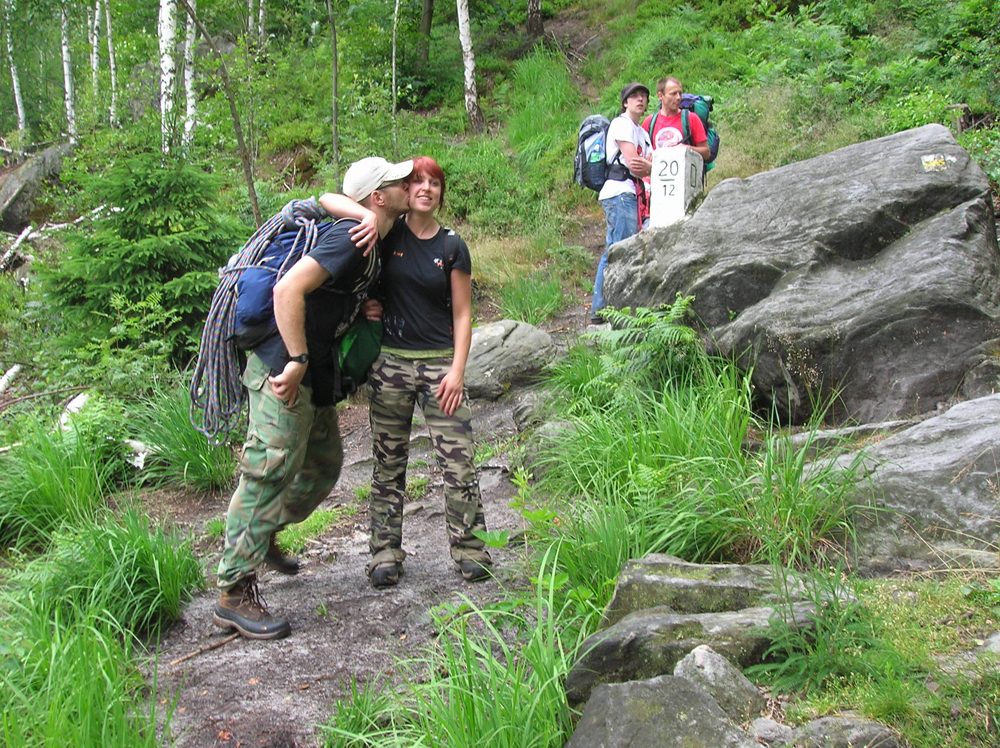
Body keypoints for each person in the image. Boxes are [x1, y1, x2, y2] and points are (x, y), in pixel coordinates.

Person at [213, 156, 413, 640]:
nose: (409, 184)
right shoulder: (351, 238)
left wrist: (359, 310)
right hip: (284, 369)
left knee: (323, 464)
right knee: (269, 470)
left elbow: (324, 206)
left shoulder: (372, 237)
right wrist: (297, 359)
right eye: (398, 181)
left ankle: (262, 533)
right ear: (378, 197)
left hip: (314, 375)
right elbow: (287, 291)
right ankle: (233, 593)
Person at [319, 156, 493, 589]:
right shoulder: (383, 233)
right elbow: (328, 200)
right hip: (390, 366)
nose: (426, 189)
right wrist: (366, 306)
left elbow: (463, 313)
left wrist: (457, 370)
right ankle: (384, 554)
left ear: (441, 193)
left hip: (441, 367)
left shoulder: (452, 246)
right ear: (405, 190)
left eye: (435, 183)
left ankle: (471, 550)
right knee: (388, 464)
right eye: (418, 181)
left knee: (459, 464)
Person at [590, 82, 653, 325]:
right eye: (634, 96)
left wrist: (647, 166)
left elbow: (646, 163)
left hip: (631, 194)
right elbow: (635, 164)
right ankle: (602, 309)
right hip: (619, 193)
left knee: (620, 248)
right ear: (625, 102)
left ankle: (606, 308)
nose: (640, 100)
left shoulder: (642, 133)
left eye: (643, 96)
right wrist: (649, 167)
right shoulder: (621, 124)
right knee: (618, 250)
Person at [641, 76, 710, 162]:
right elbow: (640, 152)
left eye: (680, 93)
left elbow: (706, 153)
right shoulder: (649, 122)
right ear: (660, 95)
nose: (678, 97)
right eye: (673, 94)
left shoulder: (691, 118)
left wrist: (686, 148)